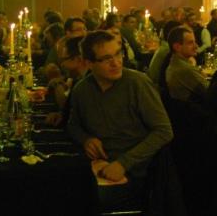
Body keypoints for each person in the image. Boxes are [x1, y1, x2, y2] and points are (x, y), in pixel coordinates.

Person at [67, 30, 173, 194]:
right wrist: (86, 139)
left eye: (118, 54)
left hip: (138, 172)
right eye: (106, 59)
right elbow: (73, 125)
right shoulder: (82, 90)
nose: (116, 63)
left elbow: (164, 131)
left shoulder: (137, 83)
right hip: (99, 166)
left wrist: (124, 163)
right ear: (89, 64)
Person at [45, 36, 88, 126]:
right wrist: (60, 115)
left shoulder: (86, 84)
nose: (62, 64)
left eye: (64, 60)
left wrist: (57, 84)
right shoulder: (78, 79)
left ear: (78, 59)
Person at [165, 26, 208, 104]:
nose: (196, 46)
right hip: (196, 113)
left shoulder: (175, 62)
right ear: (177, 47)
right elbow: (210, 92)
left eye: (195, 42)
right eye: (190, 43)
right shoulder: (184, 69)